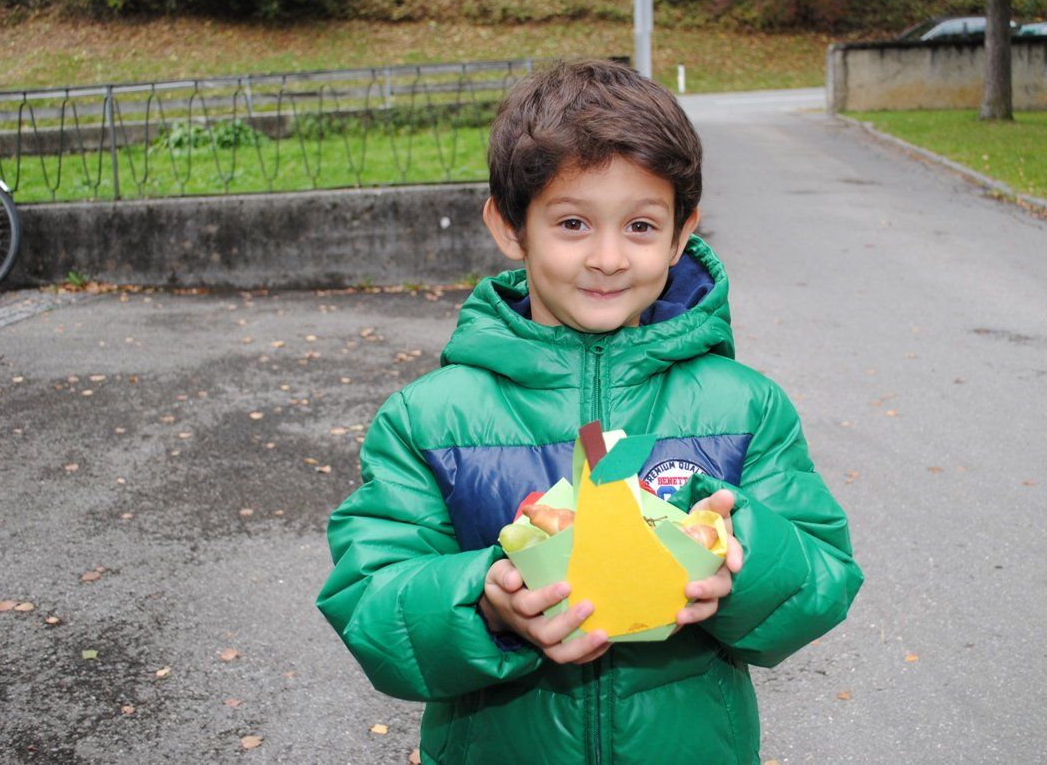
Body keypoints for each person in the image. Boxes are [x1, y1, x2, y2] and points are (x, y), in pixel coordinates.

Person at [316, 59, 863, 764]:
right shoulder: (430, 421)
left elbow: (824, 576)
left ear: (681, 233)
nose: (608, 257)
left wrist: (742, 563)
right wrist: (483, 604)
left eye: (640, 225)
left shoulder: (745, 407)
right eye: (573, 222)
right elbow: (369, 598)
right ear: (510, 226)